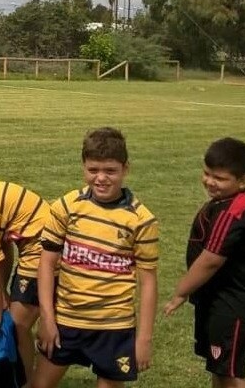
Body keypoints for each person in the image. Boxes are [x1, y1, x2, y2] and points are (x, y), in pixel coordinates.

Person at [35, 127, 158, 388]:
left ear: (126, 169)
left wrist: (144, 338)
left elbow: (148, 282)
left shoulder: (141, 220)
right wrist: (47, 318)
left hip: (114, 326)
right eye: (93, 170)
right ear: (83, 167)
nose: (101, 178)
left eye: (110, 171)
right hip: (67, 320)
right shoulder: (66, 207)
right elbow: (46, 264)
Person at [164, 138, 245, 388]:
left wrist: (181, 293)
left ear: (242, 180)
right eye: (206, 173)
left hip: (233, 305)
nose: (210, 181)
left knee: (230, 374)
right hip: (217, 301)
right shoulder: (224, 203)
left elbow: (211, 260)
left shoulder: (233, 212)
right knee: (220, 368)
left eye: (220, 178)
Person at [0, 181, 52, 388]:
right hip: (38, 244)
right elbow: (3, 248)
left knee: (16, 326)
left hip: (43, 250)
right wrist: (2, 295)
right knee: (15, 323)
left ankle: (26, 383)